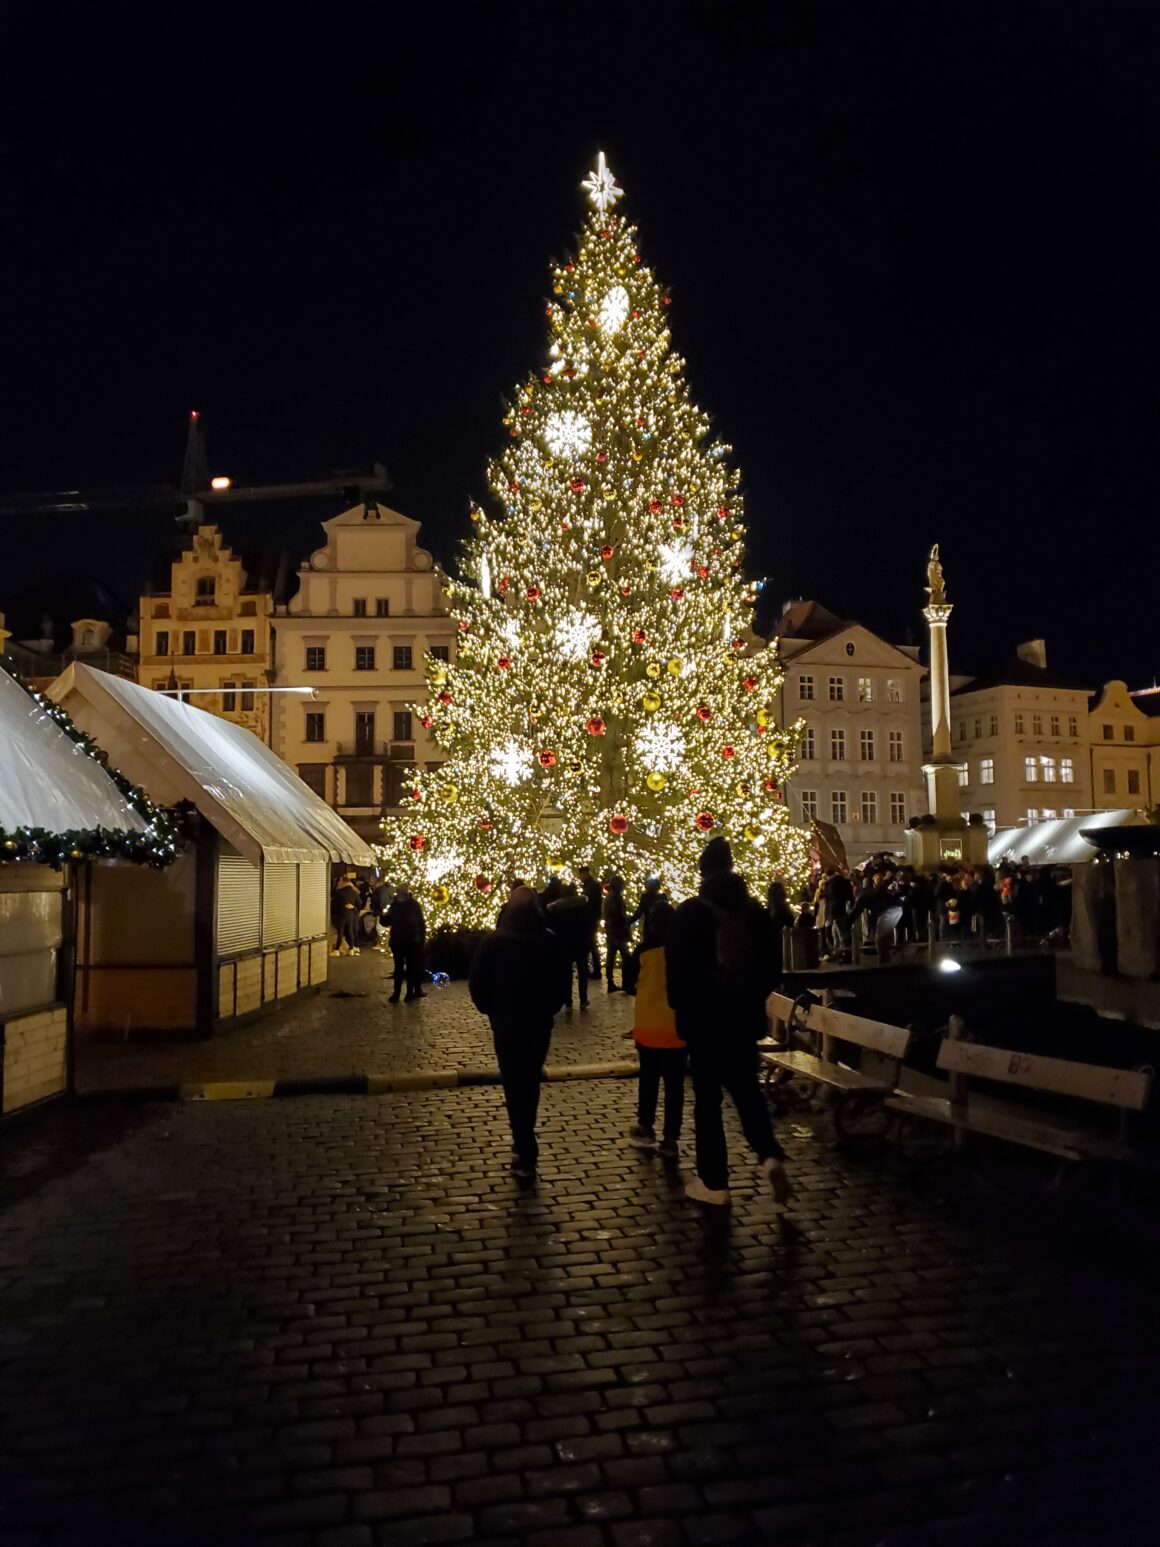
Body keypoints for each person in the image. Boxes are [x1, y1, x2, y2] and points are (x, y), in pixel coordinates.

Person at [665, 836, 791, 1208]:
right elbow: (772, 970)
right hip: (742, 1021)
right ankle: (769, 1156)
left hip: (702, 1025)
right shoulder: (754, 913)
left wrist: (683, 1010)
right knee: (748, 1094)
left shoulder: (689, 913)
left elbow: (678, 974)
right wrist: (748, 997)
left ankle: (714, 1183)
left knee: (708, 1103)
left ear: (703, 873)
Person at [469, 887, 571, 1181]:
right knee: (531, 1080)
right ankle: (525, 1140)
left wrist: (491, 1010)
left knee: (514, 1084)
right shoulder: (548, 940)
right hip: (538, 1023)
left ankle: (523, 1145)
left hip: (507, 1023)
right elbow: (562, 981)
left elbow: (478, 983)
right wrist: (549, 1007)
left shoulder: (494, 941)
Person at [629, 901, 686, 1158]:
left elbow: (629, 984)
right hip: (677, 1028)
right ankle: (671, 1137)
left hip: (648, 1025)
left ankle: (646, 1126)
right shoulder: (682, 950)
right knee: (675, 1086)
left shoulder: (642, 951)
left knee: (648, 1080)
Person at [546, 882, 592, 1011]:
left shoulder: (556, 909)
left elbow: (553, 927)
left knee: (566, 973)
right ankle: (583, 999)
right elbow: (589, 924)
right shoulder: (583, 906)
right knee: (582, 971)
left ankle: (568, 1002)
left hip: (565, 943)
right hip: (581, 942)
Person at [385, 887, 427, 1002]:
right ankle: (401, 994)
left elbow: (421, 923)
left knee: (407, 968)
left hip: (408, 941)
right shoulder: (404, 905)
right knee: (404, 968)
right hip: (402, 941)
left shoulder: (400, 905)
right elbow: (421, 923)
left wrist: (421, 940)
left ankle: (405, 994)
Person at [602, 874, 631, 993]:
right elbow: (619, 914)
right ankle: (626, 982)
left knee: (611, 956)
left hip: (612, 930)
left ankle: (611, 982)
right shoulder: (616, 897)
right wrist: (626, 923)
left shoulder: (610, 896)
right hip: (617, 931)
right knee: (626, 957)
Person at [578, 865, 603, 979]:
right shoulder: (591, 885)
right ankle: (591, 970)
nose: (580, 877)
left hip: (590, 919)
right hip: (591, 918)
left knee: (591, 945)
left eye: (581, 875)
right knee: (590, 945)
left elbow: (591, 904)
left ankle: (595, 970)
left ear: (585, 874)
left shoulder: (592, 886)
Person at [330, 870, 362, 957]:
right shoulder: (354, 892)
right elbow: (360, 904)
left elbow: (333, 905)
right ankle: (351, 949)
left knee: (340, 932)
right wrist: (354, 908)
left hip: (341, 915)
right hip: (351, 915)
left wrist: (334, 914)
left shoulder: (339, 892)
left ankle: (337, 950)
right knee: (350, 931)